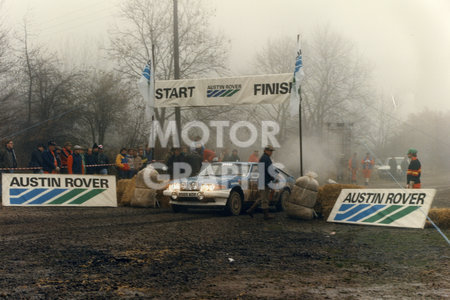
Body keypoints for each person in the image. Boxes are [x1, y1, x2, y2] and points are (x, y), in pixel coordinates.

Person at [246, 145, 277, 220]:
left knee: (261, 197)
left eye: (271, 151)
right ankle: (266, 215)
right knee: (264, 199)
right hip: (264, 181)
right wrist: (274, 176)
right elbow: (269, 170)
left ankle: (250, 210)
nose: (271, 153)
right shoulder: (265, 158)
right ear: (266, 150)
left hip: (263, 180)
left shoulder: (264, 158)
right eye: (270, 151)